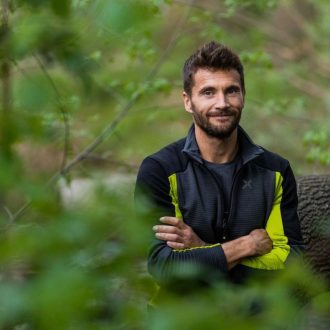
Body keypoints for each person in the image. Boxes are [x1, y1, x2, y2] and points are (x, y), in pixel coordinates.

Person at [135, 41, 304, 288]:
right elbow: (163, 266)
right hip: (180, 317)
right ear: (187, 101)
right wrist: (247, 246)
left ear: (243, 96)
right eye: (208, 92)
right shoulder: (159, 169)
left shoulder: (276, 171)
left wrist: (203, 250)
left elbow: (290, 264)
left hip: (255, 317)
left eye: (231, 90)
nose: (222, 103)